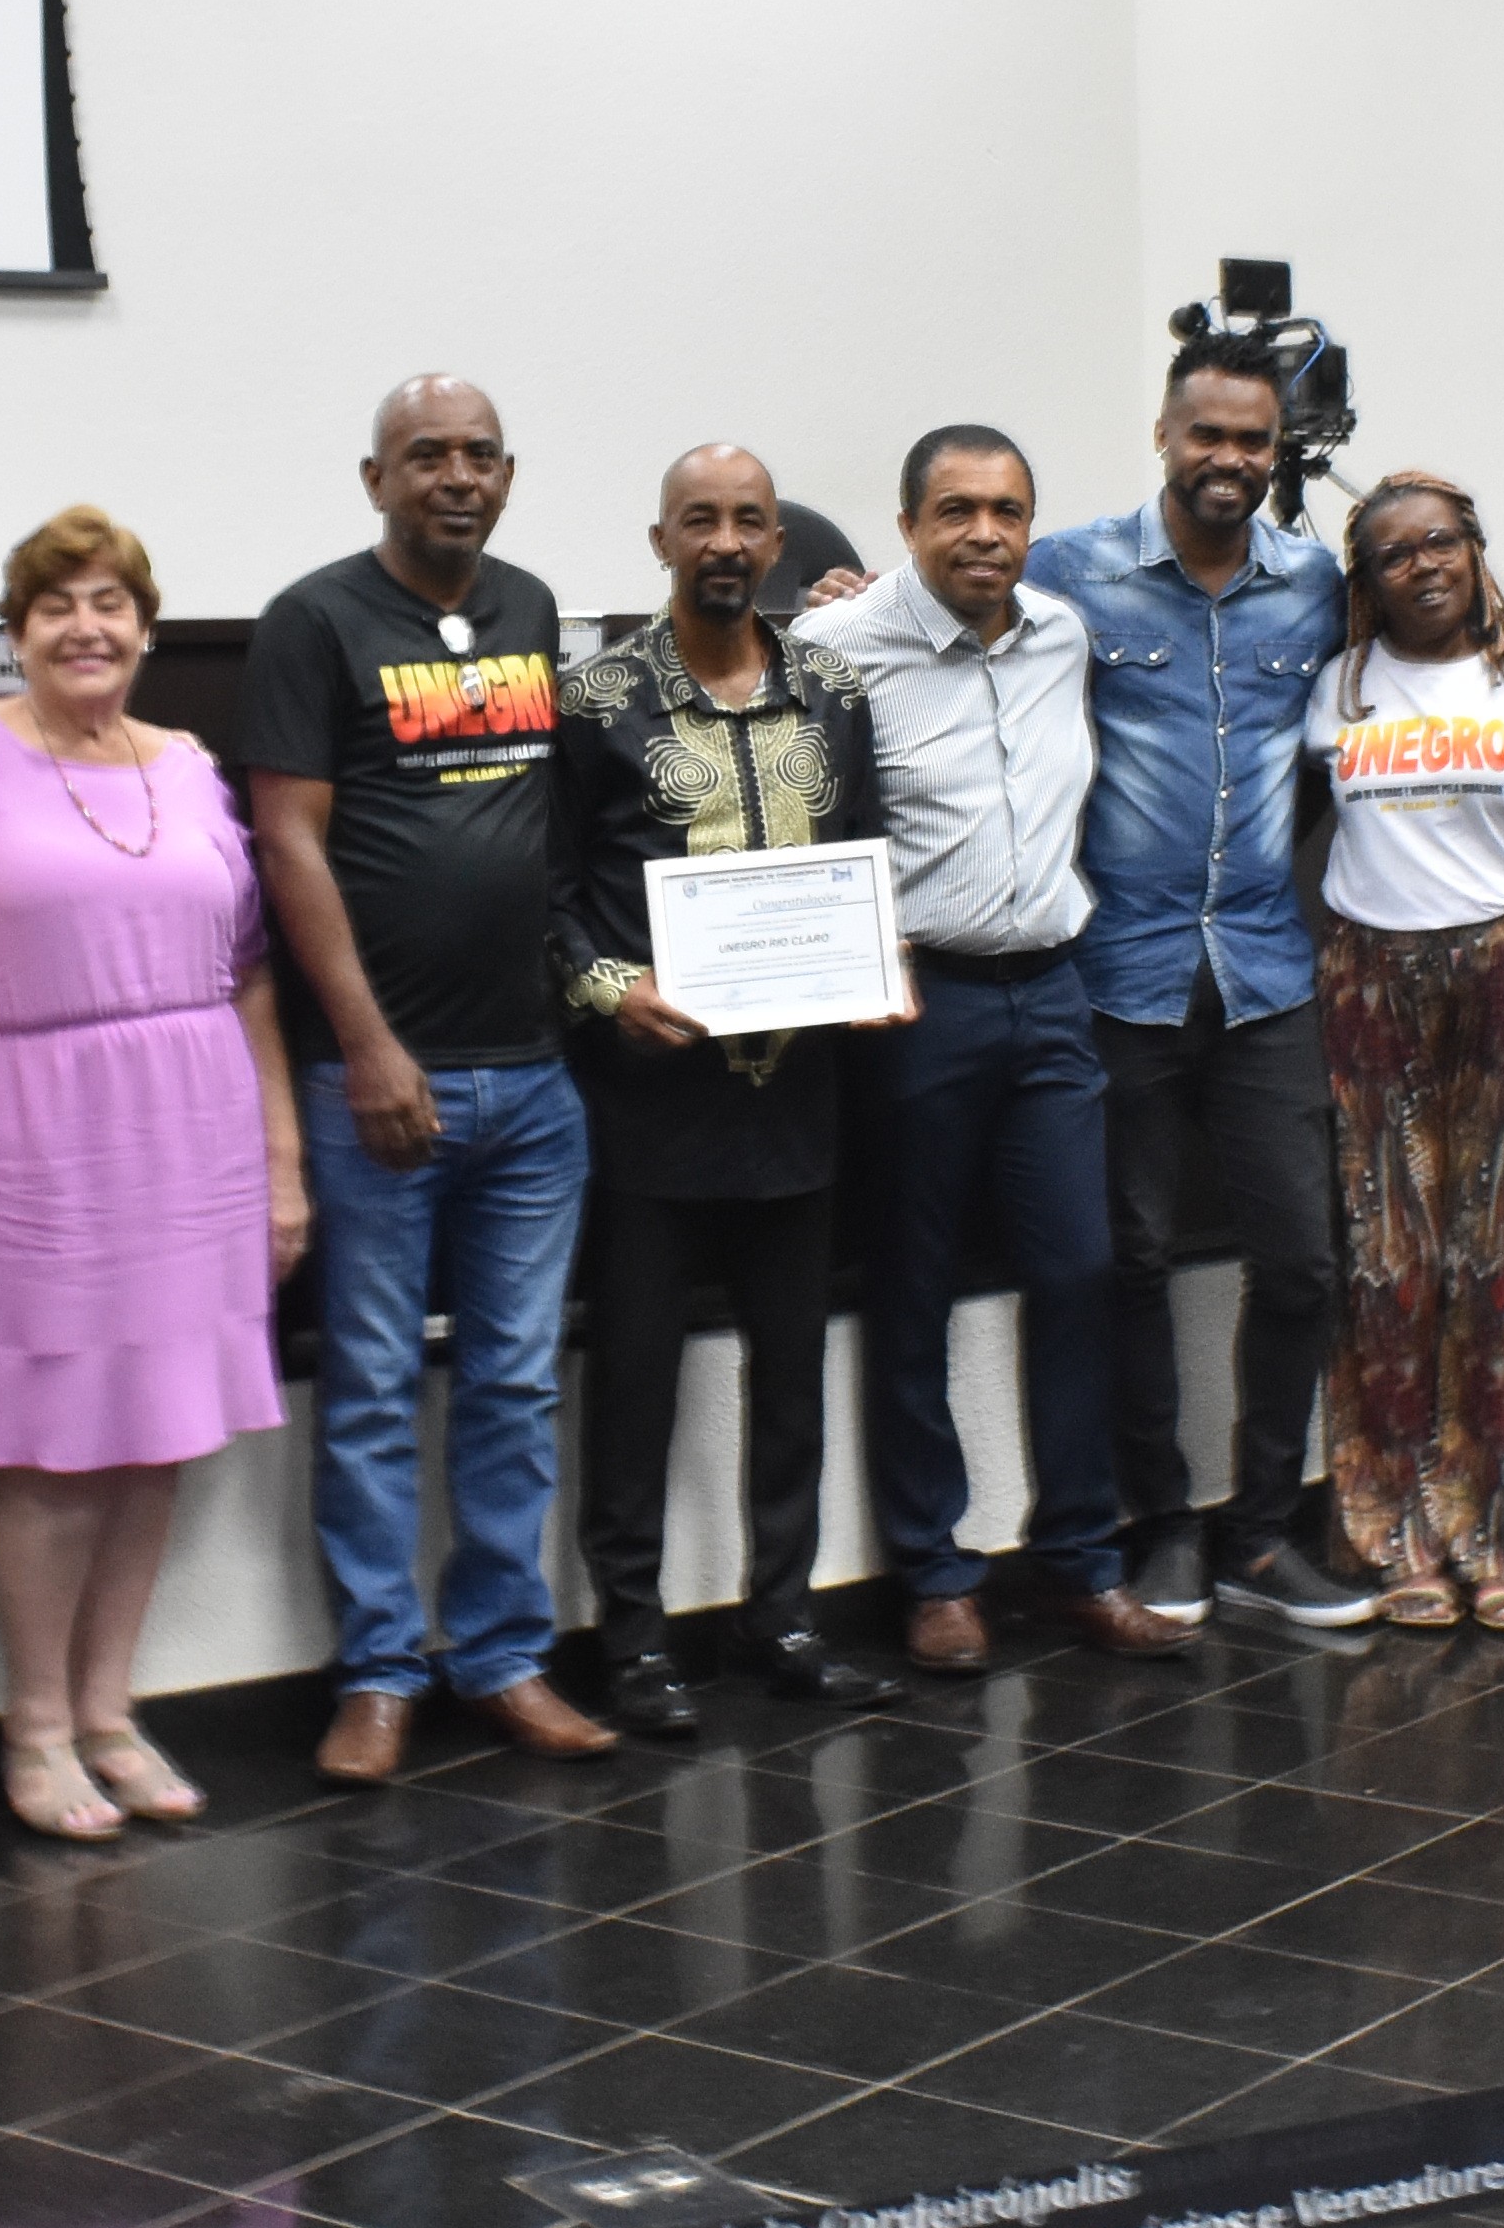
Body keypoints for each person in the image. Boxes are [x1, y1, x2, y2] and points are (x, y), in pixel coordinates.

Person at [0, 508, 304, 1839]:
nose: (86, 626)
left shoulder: (190, 767)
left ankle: (110, 1710)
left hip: (192, 1127)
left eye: (111, 601)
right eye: (56, 604)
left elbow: (247, 971)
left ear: (145, 626)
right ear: (15, 632)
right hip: (25, 1137)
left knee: (156, 1428)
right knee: (49, 1441)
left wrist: (283, 1155)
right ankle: (36, 1727)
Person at [240, 376, 619, 1779]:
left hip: (535, 1086)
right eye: (425, 456)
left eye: (478, 456)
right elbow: (288, 842)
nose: (455, 476)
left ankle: (505, 1657)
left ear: (507, 477)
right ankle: (380, 1673)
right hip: (380, 1089)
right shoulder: (314, 621)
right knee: (373, 1392)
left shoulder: (532, 609)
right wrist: (368, 1045)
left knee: (515, 1386)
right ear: (375, 478)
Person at [554, 447, 921, 1734]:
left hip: (798, 1096)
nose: (724, 540)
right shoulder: (594, 699)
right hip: (649, 1101)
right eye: (699, 519)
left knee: (792, 1377)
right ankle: (633, 1640)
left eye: (747, 521)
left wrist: (878, 960)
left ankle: (785, 1619)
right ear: (661, 540)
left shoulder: (834, 688)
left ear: (777, 545)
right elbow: (548, 896)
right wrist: (610, 988)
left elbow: (861, 853)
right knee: (636, 1383)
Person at [1033, 343, 1378, 1635]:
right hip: (1117, 975)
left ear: (1278, 448)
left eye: (1254, 439)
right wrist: (847, 599)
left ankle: (1261, 1537)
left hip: (1265, 974)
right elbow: (949, 620)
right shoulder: (1070, 570)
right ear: (1165, 436)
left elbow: (1422, 657)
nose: (1231, 458)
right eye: (1209, 435)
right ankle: (1165, 1527)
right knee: (1130, 1262)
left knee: (1298, 1262)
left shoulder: (1316, 586)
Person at [809, 430, 1164, 1676]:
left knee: (1079, 1270)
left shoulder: (1061, 633)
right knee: (912, 1290)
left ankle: (1079, 1561)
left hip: (1053, 995)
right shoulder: (836, 647)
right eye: (955, 510)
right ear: (907, 524)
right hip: (921, 1008)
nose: (984, 533)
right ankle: (936, 1575)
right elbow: (792, 821)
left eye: (1007, 510)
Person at [1308, 471, 1504, 1628]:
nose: (1422, 564)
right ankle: (1398, 1539)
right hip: (1371, 984)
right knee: (1387, 1264)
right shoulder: (1336, 687)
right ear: (1368, 578)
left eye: (1440, 541)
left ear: (1475, 549)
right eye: (1394, 553)